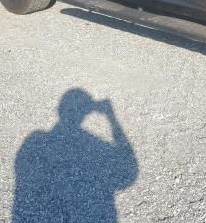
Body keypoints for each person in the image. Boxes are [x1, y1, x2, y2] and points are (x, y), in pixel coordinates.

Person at [12, 88, 138, 223]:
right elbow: (128, 171)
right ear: (86, 113)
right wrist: (111, 117)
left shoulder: (35, 140)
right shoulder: (95, 147)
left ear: (59, 109)